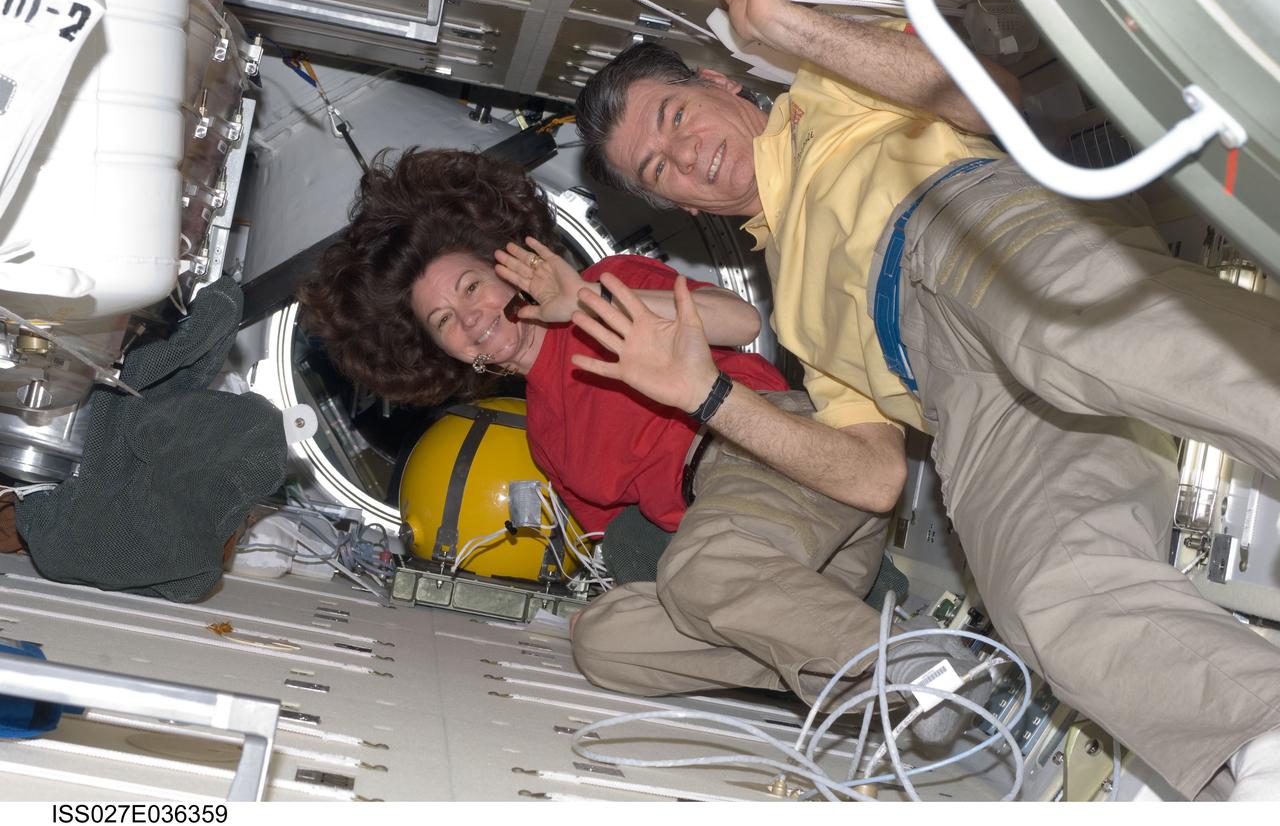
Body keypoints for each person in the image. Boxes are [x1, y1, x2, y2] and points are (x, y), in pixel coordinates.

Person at [571, 0, 1280, 800]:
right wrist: (706, 396)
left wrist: (787, 25)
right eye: (659, 170)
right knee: (1040, 591)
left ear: (723, 84)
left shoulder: (827, 87)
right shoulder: (793, 311)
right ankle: (1260, 733)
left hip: (966, 224)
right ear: (681, 207)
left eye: (676, 115)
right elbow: (872, 477)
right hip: (954, 390)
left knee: (1096, 341)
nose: (685, 155)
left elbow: (992, 98)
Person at [299, 147, 987, 743]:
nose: (471, 320)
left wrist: (585, 308)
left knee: (700, 574)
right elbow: (627, 555)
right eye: (445, 321)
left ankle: (923, 669)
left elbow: (739, 317)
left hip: (774, 453)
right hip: (771, 560)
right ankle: (860, 664)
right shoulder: (545, 437)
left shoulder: (608, 285)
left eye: (471, 287)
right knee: (604, 641)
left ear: (509, 266)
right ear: (438, 351)